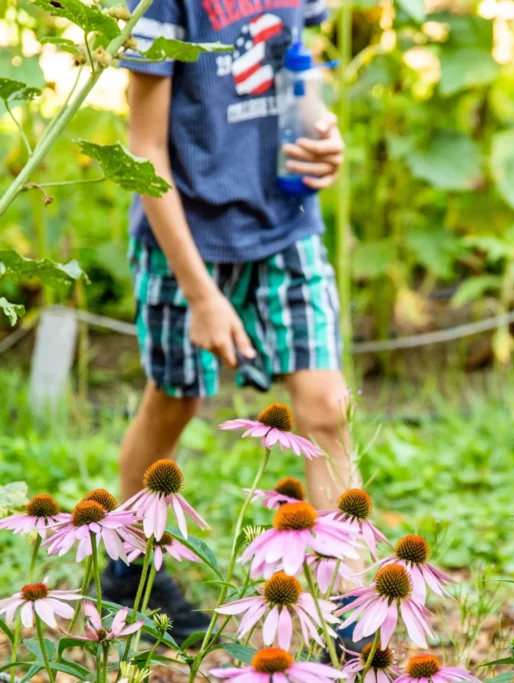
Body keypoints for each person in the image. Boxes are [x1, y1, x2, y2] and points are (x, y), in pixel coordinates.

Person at [102, 0, 355, 644]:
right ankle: (130, 567)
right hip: (184, 238)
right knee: (174, 400)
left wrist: (324, 133)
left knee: (325, 405)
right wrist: (202, 294)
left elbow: (302, 72)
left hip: (286, 224)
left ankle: (348, 602)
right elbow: (146, 150)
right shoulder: (163, 6)